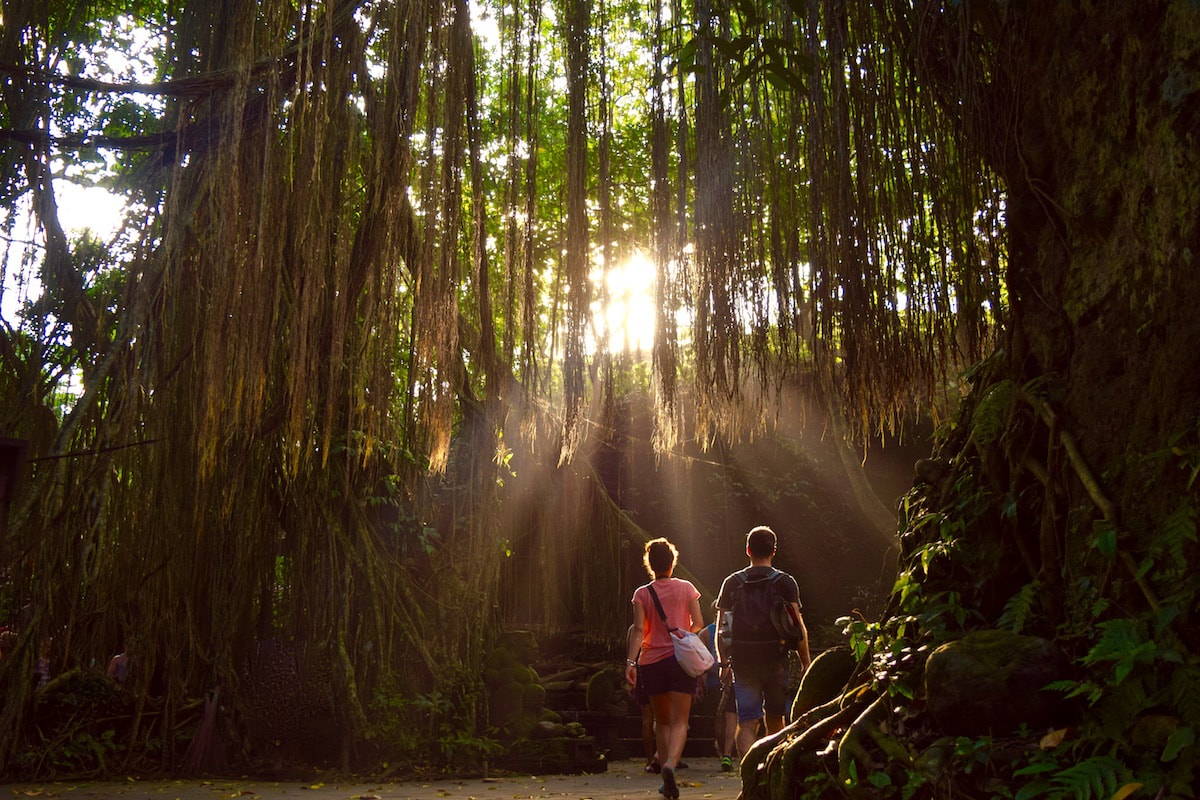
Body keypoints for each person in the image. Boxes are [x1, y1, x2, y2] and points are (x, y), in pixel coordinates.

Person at [715, 525, 811, 760]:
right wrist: (805, 661)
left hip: (743, 661)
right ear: (774, 551)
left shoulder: (732, 582)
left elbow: (722, 629)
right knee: (776, 719)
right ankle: (772, 770)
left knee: (747, 721)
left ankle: (749, 777)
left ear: (748, 550)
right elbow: (796, 627)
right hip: (776, 660)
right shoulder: (785, 583)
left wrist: (724, 662)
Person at [624, 538, 704, 800]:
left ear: (650, 564)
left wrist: (630, 662)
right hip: (680, 662)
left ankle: (662, 771)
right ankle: (671, 764)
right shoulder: (687, 588)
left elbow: (638, 630)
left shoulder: (642, 593)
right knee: (681, 720)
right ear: (673, 562)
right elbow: (698, 623)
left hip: (652, 662)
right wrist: (683, 636)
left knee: (662, 721)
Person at [702, 608, 738, 772]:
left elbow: (700, 659)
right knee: (731, 716)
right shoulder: (737, 626)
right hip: (733, 675)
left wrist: (700, 681)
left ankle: (722, 749)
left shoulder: (705, 633)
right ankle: (727, 753)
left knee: (719, 717)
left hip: (713, 679)